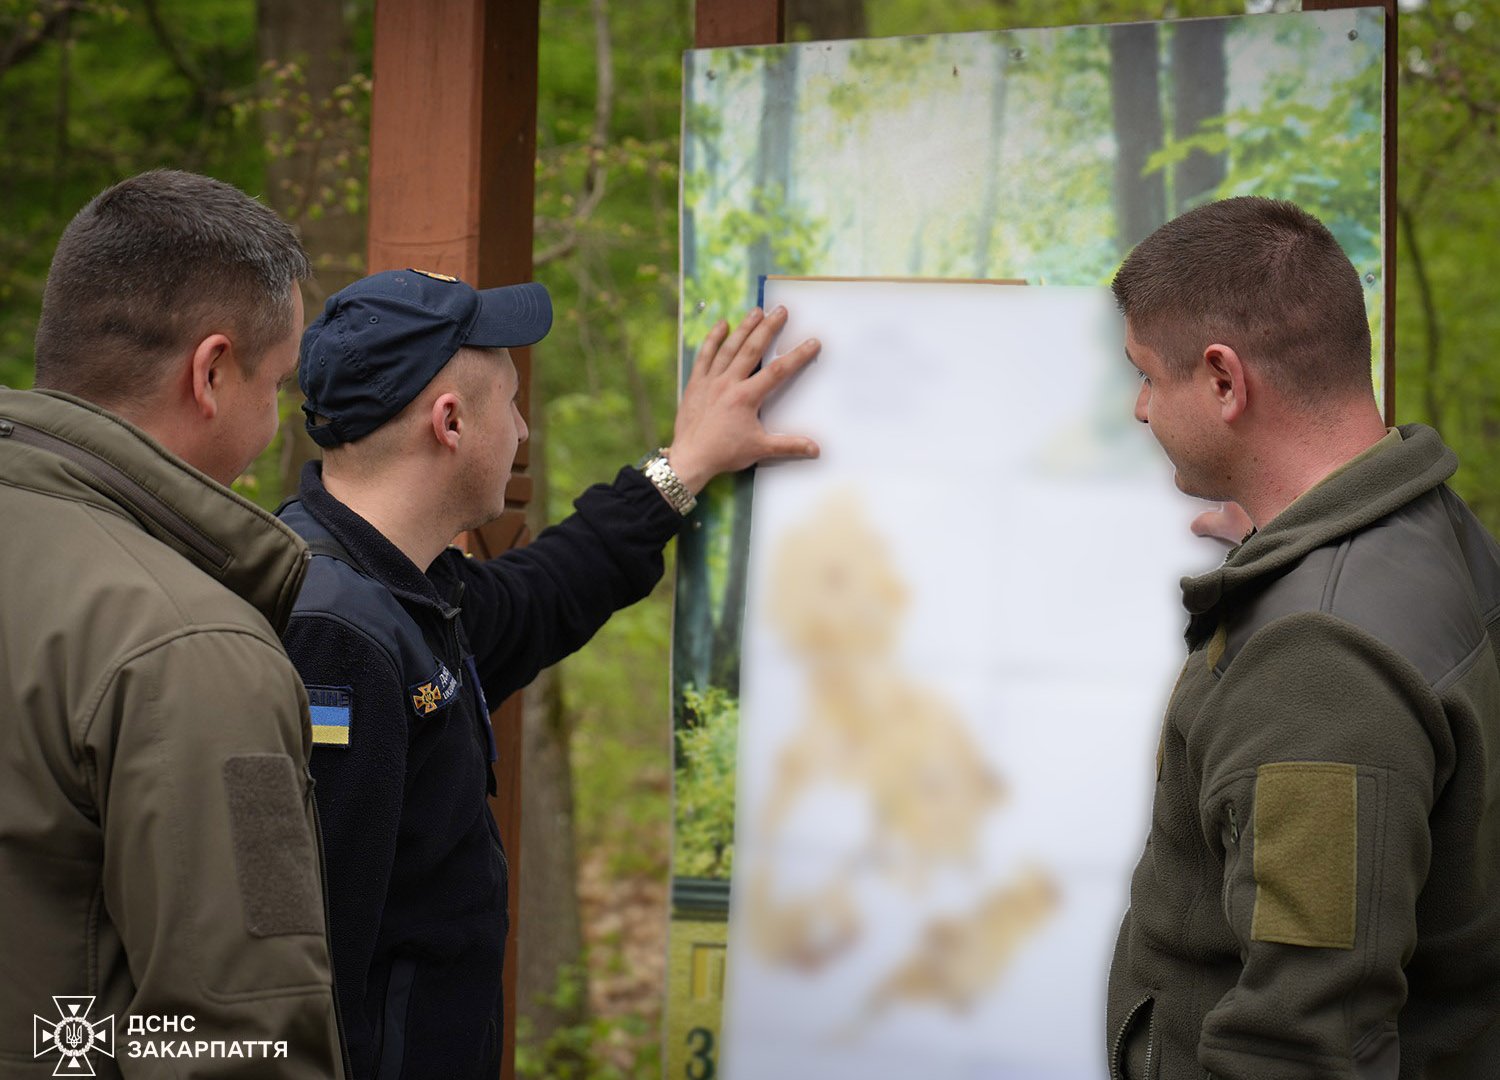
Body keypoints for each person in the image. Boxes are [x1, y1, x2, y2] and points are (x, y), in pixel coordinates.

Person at [274, 267, 819, 1078]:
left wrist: (684, 465)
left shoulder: (403, 585)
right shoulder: (334, 634)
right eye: (512, 404)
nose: (523, 430)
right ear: (450, 422)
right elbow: (306, 974)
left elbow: (544, 593)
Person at [1106, 196, 1500, 1079]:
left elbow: (1302, 1044)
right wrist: (1284, 551)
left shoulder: (1319, 659)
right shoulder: (1426, 526)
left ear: (1223, 380)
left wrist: (1300, 589)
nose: (1140, 408)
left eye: (1148, 376)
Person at [0, 170, 346, 1076]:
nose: (275, 424)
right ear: (212, 371)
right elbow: (241, 1042)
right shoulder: (195, 649)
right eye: (277, 385)